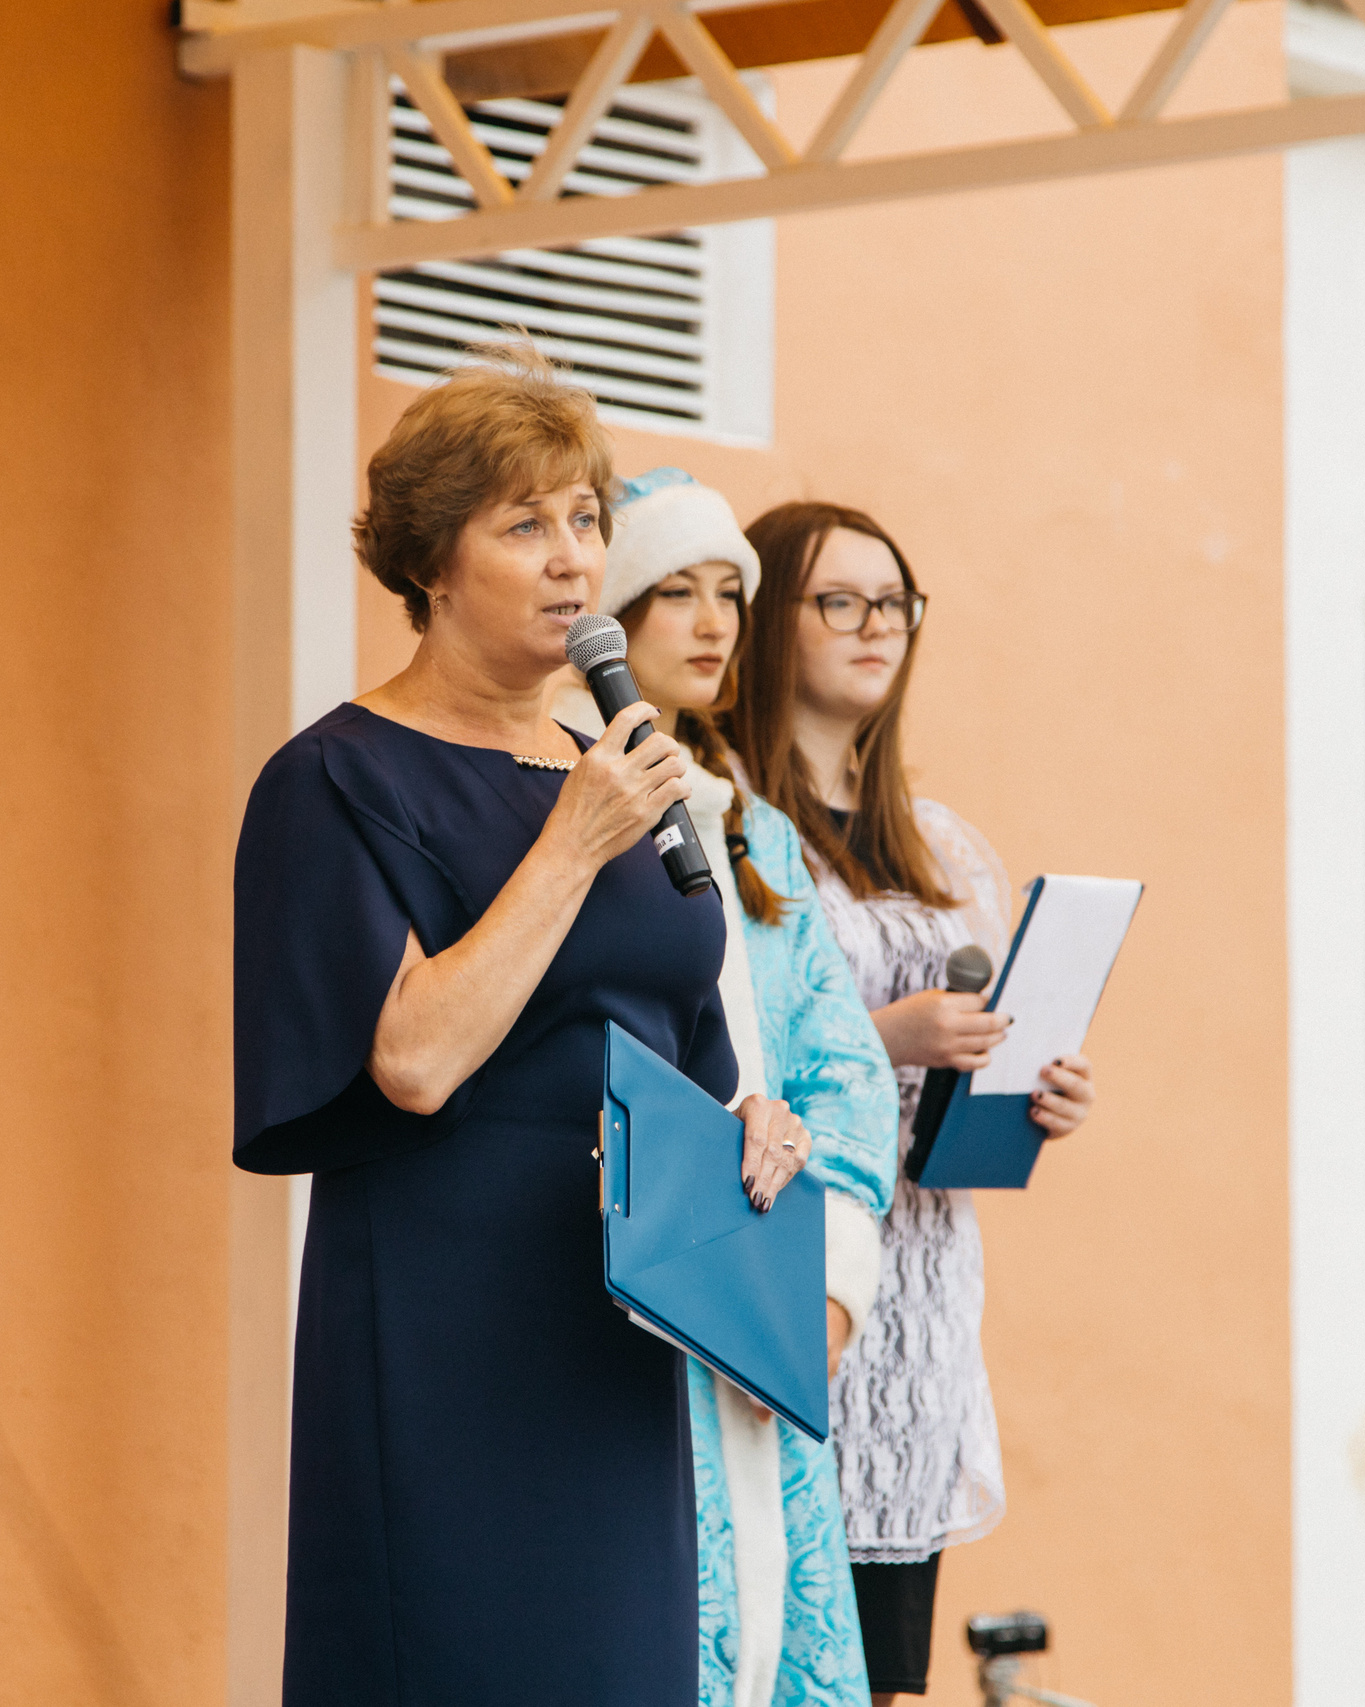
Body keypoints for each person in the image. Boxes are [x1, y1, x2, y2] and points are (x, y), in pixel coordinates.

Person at [231, 350, 818, 1707]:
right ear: (433, 563)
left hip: (615, 1317)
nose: (574, 559)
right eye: (525, 525)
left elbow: (689, 1041)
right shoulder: (337, 776)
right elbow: (415, 1057)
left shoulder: (620, 761)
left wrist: (754, 1122)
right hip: (445, 1316)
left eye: (587, 519)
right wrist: (569, 846)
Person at [724, 503, 1098, 1704]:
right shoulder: (728, 819)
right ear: (765, 617)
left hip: (921, 1311)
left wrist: (1027, 1084)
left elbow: (962, 1075)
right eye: (838, 601)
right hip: (792, 1274)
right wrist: (884, 1039)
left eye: (894, 603)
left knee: (889, 1672)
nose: (876, 627)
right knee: (769, 1646)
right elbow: (720, 1046)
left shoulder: (939, 844)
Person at [550, 469, 896, 1707]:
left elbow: (844, 1075)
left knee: (770, 1635)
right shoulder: (557, 805)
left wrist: (820, 1308)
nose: (710, 626)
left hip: (765, 1317)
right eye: (674, 595)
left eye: (728, 598)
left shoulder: (757, 832)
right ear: (612, 620)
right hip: (629, 1313)